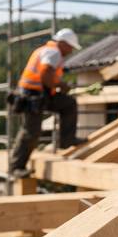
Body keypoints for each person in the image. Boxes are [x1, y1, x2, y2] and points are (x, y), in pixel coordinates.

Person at [8, 28, 85, 177]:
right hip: (32, 96)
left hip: (40, 94)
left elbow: (47, 77)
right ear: (63, 43)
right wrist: (61, 86)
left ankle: (67, 140)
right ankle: (16, 167)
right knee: (31, 132)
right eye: (70, 47)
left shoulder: (47, 50)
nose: (70, 51)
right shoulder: (53, 52)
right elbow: (45, 74)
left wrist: (58, 86)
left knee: (68, 104)